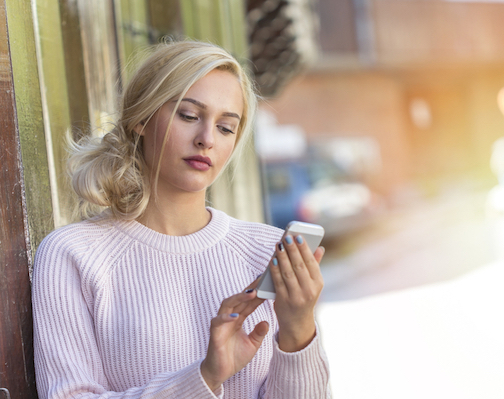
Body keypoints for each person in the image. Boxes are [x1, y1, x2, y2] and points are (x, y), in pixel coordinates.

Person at [32, 40, 331, 399]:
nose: (206, 139)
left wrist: (299, 329)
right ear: (141, 119)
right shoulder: (73, 255)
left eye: (225, 127)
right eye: (189, 116)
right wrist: (204, 377)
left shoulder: (267, 252)